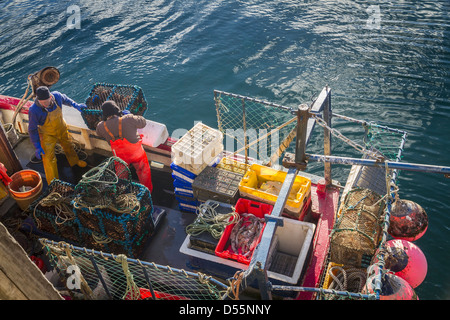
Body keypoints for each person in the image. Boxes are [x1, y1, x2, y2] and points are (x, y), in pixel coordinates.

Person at [28, 86, 87, 185]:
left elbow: (66, 100)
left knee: (68, 145)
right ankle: (53, 181)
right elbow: (32, 129)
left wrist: (75, 105)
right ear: (38, 100)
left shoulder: (57, 96)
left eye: (46, 102)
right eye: (42, 103)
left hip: (61, 128)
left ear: (50, 97)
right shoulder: (34, 110)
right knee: (48, 158)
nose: (44, 104)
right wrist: (37, 146)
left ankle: (75, 161)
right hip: (48, 134)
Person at [96, 100, 153, 192]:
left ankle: (122, 192)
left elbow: (98, 133)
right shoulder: (128, 118)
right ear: (116, 109)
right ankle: (147, 192)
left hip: (120, 158)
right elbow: (143, 122)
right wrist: (130, 115)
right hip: (137, 155)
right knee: (143, 172)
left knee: (121, 176)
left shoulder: (101, 126)